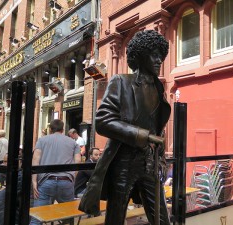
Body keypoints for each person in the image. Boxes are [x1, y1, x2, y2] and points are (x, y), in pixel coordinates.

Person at [79, 30, 171, 225]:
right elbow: (103, 120)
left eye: (161, 56)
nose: (158, 60)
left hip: (150, 164)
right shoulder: (121, 82)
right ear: (140, 55)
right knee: (116, 217)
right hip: (123, 163)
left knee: (162, 219)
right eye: (154, 55)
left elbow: (158, 129)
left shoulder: (158, 89)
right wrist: (143, 136)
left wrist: (161, 159)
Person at [30, 119, 81, 225]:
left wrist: (34, 181)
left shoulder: (42, 140)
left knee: (37, 217)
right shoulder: (73, 142)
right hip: (66, 181)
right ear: (63, 129)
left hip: (46, 181)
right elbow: (78, 162)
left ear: (50, 129)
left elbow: (35, 159)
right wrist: (72, 178)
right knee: (69, 216)